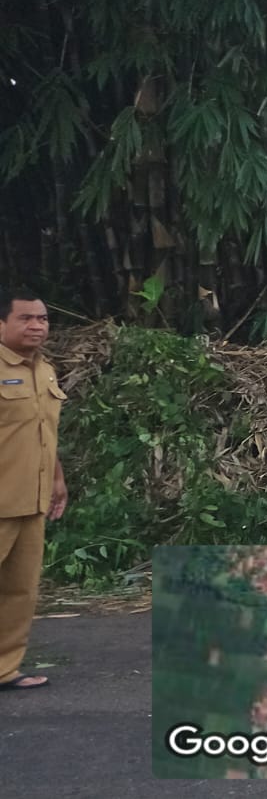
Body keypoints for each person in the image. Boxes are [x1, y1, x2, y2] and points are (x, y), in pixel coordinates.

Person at [0, 289, 67, 691]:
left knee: (20, 590)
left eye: (42, 319)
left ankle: (5, 668)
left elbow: (45, 433)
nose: (36, 326)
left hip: (32, 499)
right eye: (26, 318)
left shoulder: (45, 371)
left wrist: (57, 478)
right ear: (2, 324)